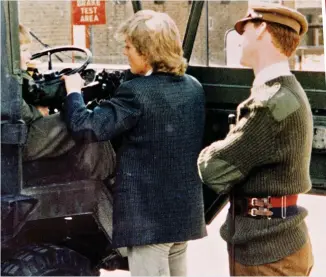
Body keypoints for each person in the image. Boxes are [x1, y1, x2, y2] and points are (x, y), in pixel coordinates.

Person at [62, 10, 207, 276]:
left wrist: (73, 91)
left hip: (149, 223)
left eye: (129, 47)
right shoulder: (193, 87)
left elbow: (86, 126)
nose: (125, 53)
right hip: (183, 216)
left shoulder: (136, 93)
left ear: (147, 51)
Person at [197, 4, 314, 276]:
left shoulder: (269, 103)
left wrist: (212, 150)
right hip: (273, 244)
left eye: (245, 29)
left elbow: (212, 170)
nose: (240, 38)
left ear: (262, 29)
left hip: (266, 252)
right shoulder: (284, 90)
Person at [19, 24, 115, 181]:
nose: (29, 56)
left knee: (81, 123)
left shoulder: (14, 75)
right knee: (88, 125)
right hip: (19, 139)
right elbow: (18, 112)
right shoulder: (6, 77)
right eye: (23, 51)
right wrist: (38, 111)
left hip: (20, 135)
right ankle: (103, 181)